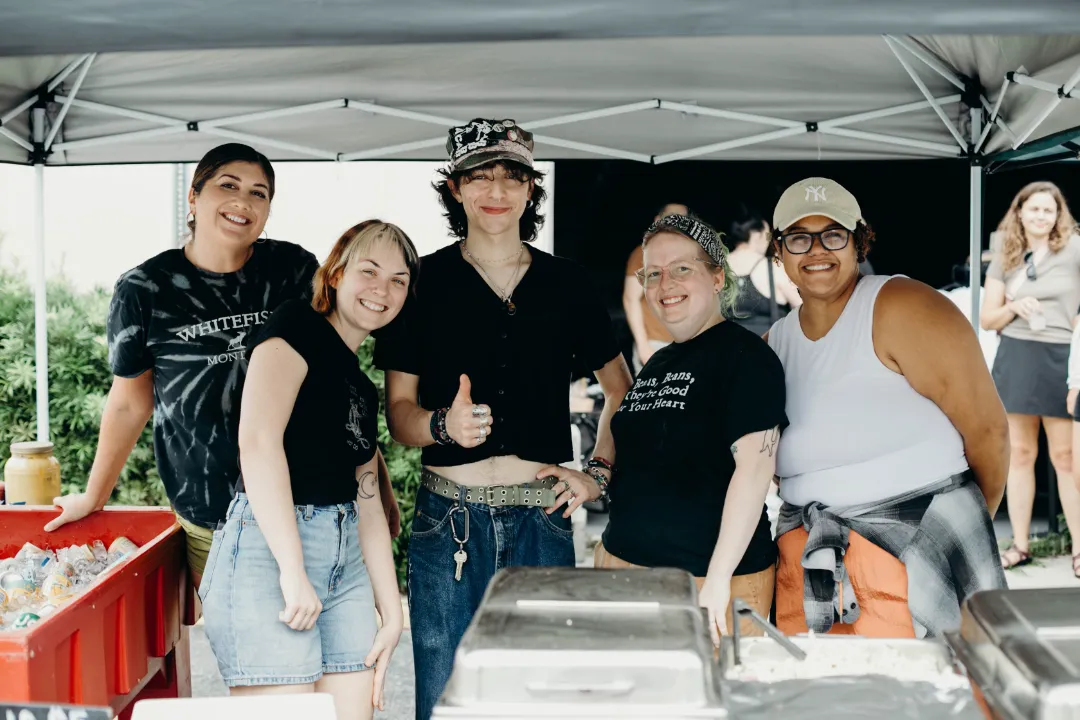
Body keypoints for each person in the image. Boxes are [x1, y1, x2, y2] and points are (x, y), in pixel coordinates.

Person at [43, 143, 400, 584]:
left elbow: (338, 381)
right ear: (193, 196)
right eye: (227, 185)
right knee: (240, 649)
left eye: (259, 193)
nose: (243, 202)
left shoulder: (291, 270)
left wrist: (375, 477)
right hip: (210, 511)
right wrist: (95, 496)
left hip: (305, 504)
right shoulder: (144, 289)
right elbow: (130, 402)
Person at [375, 118, 633, 720]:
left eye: (511, 177)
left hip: (540, 519)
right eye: (480, 176)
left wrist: (598, 471)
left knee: (543, 698)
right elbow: (398, 415)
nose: (496, 190)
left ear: (530, 190)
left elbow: (623, 392)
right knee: (444, 697)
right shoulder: (423, 282)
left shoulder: (566, 283)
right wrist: (443, 426)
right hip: (448, 519)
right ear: (455, 189)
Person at [768, 177, 1008, 638]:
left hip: (913, 555)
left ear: (859, 242)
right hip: (810, 561)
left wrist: (954, 532)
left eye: (833, 235)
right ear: (779, 252)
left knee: (928, 702)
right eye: (799, 238)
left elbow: (989, 432)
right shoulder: (773, 345)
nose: (816, 250)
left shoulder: (904, 305)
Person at [199, 221, 415, 718]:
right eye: (369, 271)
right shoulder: (295, 325)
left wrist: (391, 611)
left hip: (345, 561)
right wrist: (293, 570)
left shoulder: (362, 386)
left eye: (399, 280)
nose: (383, 289)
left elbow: (366, 501)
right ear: (336, 273)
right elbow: (257, 442)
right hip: (270, 553)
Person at [595, 213, 785, 644]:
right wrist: (593, 476)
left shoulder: (745, 357)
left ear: (717, 277)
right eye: (653, 273)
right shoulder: (659, 361)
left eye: (682, 268)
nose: (665, 285)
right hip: (625, 569)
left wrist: (717, 580)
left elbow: (754, 472)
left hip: (708, 585)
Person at [980, 181, 1080, 571]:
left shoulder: (1073, 250)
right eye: (1034, 209)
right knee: (1020, 454)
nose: (1041, 216)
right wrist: (1014, 307)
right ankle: (1020, 545)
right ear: (1019, 211)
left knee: (1066, 457)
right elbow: (988, 318)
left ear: (1059, 216)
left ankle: (1077, 548)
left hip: (1061, 355)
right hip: (1018, 354)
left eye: (1049, 210)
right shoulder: (1006, 255)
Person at [623, 203, 687, 372]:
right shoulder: (643, 254)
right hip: (656, 343)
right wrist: (643, 346)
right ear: (658, 221)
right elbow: (630, 299)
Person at [725, 213, 801, 337]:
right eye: (767, 235)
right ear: (756, 235)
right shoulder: (773, 267)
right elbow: (801, 309)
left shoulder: (716, 267)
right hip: (767, 349)